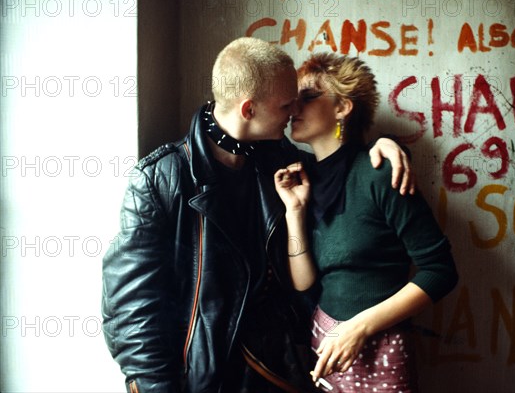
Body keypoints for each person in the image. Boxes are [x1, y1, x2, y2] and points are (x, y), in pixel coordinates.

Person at [102, 37, 416, 393]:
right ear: (249, 110)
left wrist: (385, 145)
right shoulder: (160, 178)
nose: (294, 111)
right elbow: (132, 310)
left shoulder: (276, 159)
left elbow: (340, 168)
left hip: (276, 369)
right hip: (201, 377)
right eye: (286, 104)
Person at [274, 53, 459, 392]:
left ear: (343, 107)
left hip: (379, 348)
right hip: (324, 345)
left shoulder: (379, 172)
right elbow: (303, 283)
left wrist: (358, 328)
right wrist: (294, 213)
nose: (293, 108)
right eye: (292, 100)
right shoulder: (301, 177)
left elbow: (441, 270)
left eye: (308, 97)